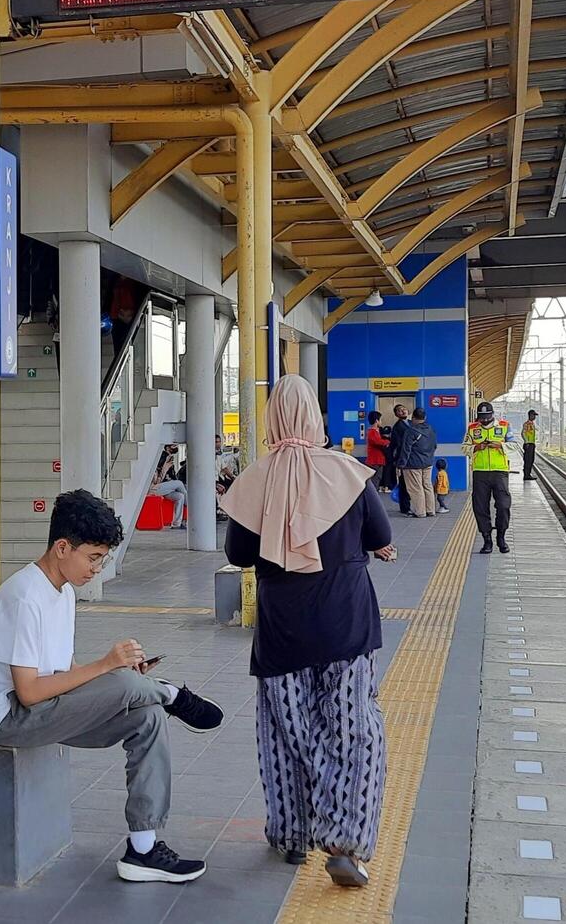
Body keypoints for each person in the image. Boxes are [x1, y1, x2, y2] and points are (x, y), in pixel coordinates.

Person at [0, 490, 224, 883]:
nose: (97, 568)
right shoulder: (23, 598)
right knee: (123, 682)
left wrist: (110, 674)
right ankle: (171, 693)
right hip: (7, 718)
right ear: (62, 547)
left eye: (102, 559)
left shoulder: (63, 593)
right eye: (93, 557)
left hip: (43, 708)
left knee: (147, 716)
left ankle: (143, 848)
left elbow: (65, 671)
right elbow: (30, 692)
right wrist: (108, 669)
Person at [221, 375, 394, 888]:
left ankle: (293, 834)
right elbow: (381, 535)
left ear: (272, 418)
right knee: (354, 730)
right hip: (347, 624)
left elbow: (237, 555)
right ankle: (344, 840)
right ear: (315, 418)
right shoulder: (347, 473)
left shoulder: (255, 478)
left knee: (287, 733)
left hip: (281, 631)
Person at [467, 401, 513, 554]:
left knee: (503, 505)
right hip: (480, 472)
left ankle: (501, 536)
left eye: (487, 417)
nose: (484, 420)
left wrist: (501, 445)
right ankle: (487, 539)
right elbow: (463, 447)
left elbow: (515, 445)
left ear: (493, 415)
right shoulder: (472, 429)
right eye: (481, 418)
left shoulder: (505, 425)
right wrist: (475, 447)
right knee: (480, 506)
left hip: (500, 472)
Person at [394, 407, 438, 518]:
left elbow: (406, 450)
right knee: (427, 486)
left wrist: (401, 465)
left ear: (413, 417)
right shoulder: (431, 429)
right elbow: (435, 446)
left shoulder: (411, 431)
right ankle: (430, 510)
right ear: (425, 417)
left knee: (416, 488)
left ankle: (420, 512)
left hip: (413, 465)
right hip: (428, 463)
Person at [149, 446, 188, 529]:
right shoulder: (159, 461)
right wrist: (164, 469)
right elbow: (156, 481)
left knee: (180, 496)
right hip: (154, 489)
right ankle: (192, 506)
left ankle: (176, 524)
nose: (176, 447)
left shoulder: (169, 461)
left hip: (164, 489)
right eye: (173, 446)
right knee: (179, 483)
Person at [388, 403, 415, 514]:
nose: (403, 411)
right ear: (396, 414)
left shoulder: (411, 423)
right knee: (404, 484)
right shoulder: (397, 427)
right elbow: (398, 444)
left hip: (413, 457)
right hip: (404, 458)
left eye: (404, 409)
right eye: (399, 410)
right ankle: (405, 508)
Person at [521, 409, 540, 482]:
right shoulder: (527, 424)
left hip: (531, 444)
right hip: (528, 444)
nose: (535, 417)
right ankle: (526, 475)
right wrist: (526, 442)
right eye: (534, 415)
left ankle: (528, 474)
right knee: (528, 460)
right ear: (530, 415)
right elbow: (523, 433)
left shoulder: (532, 424)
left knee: (531, 460)